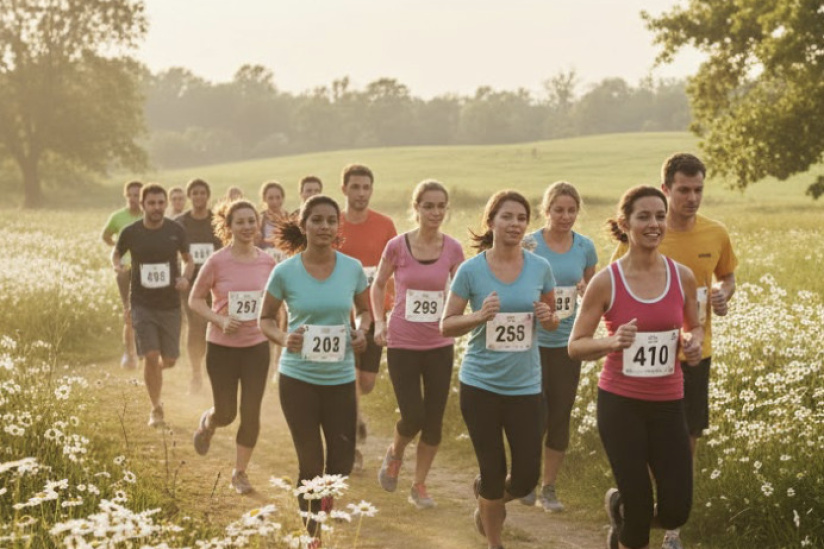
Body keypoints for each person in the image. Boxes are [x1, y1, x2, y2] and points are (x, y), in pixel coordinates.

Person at [610, 154, 737, 549]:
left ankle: (669, 530)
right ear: (665, 189)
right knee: (652, 446)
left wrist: (723, 294)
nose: (692, 198)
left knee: (687, 440)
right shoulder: (646, 233)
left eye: (698, 190)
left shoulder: (715, 233)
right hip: (644, 364)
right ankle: (634, 509)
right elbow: (617, 289)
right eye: (683, 190)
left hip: (694, 354)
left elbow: (728, 276)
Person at [569, 185, 703, 549]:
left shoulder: (683, 276)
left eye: (660, 216)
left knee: (677, 510)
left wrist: (692, 342)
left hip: (669, 404)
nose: (654, 224)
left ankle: (621, 512)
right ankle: (630, 519)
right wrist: (611, 342)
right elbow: (576, 345)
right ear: (625, 223)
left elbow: (694, 326)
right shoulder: (606, 281)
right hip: (621, 405)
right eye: (644, 216)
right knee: (640, 506)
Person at [441, 190, 559, 549]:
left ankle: (487, 498)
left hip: (525, 387)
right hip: (480, 386)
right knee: (493, 471)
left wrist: (547, 318)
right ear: (491, 221)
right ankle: (494, 540)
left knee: (525, 479)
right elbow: (447, 325)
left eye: (521, 218)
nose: (515, 224)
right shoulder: (471, 270)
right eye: (507, 216)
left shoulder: (540, 268)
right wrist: (479, 316)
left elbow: (553, 320)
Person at [259, 195, 370, 542]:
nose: (324, 227)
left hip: (340, 379)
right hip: (298, 379)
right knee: (310, 463)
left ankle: (324, 499)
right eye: (317, 220)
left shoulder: (352, 268)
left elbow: (365, 311)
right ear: (304, 225)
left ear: (338, 226)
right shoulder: (284, 271)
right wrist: (283, 337)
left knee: (341, 464)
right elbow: (265, 318)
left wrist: (362, 331)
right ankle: (313, 537)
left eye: (331, 221)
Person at [372, 180, 465, 509]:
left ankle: (419, 485)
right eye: (429, 206)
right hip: (402, 342)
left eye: (441, 206)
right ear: (417, 208)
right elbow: (378, 284)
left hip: (439, 343)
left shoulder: (453, 249)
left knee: (434, 420)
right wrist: (379, 322)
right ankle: (395, 453)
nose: (435, 212)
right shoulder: (397, 246)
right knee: (413, 416)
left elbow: (464, 287)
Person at [519, 182, 597, 512]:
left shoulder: (585, 247)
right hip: (532, 342)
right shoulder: (529, 243)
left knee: (560, 414)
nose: (565, 216)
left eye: (571, 210)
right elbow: (513, 280)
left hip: (568, 344)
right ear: (546, 210)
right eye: (559, 210)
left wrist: (585, 290)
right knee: (533, 414)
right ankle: (525, 479)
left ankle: (548, 488)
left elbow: (594, 293)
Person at [189, 199, 276, 495]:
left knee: (251, 412)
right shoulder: (217, 261)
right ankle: (209, 423)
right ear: (229, 226)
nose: (247, 227)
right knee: (227, 414)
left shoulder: (268, 263)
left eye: (252, 221)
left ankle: (240, 473)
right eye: (240, 222)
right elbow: (195, 299)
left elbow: (275, 302)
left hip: (256, 347)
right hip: (222, 348)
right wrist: (220, 319)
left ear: (258, 224)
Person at [113, 183, 193, 428]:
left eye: (160, 203)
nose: (157, 208)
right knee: (150, 355)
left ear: (165, 204)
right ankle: (156, 408)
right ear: (142, 205)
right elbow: (116, 253)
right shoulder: (131, 232)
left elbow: (188, 260)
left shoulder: (176, 230)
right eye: (151, 203)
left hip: (170, 305)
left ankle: (155, 370)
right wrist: (117, 265)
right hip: (142, 303)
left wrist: (185, 278)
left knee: (169, 359)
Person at [337, 164, 397, 469]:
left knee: (367, 381)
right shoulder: (333, 224)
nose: (361, 193)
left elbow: (396, 268)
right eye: (355, 187)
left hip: (374, 312)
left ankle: (355, 413)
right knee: (348, 377)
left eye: (366, 187)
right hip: (339, 313)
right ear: (344, 189)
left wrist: (393, 304)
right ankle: (351, 445)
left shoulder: (384, 225)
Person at [174, 179, 222, 394]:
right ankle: (196, 373)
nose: (199, 196)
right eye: (195, 193)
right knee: (196, 325)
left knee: (214, 325)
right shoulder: (180, 223)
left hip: (216, 283)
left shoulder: (217, 221)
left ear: (208, 195)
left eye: (203, 192)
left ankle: (214, 371)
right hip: (191, 283)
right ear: (189, 196)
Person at [102, 180, 143, 369]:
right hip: (125, 269)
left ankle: (145, 350)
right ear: (126, 196)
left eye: (138, 195)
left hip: (146, 268)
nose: (134, 199)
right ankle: (129, 353)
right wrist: (117, 250)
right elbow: (106, 236)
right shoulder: (117, 217)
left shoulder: (148, 215)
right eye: (131, 195)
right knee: (129, 311)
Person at [258, 180, 289, 262]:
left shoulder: (290, 219)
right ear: (264, 199)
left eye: (278, 197)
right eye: (270, 198)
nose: (275, 202)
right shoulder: (259, 220)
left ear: (283, 198)